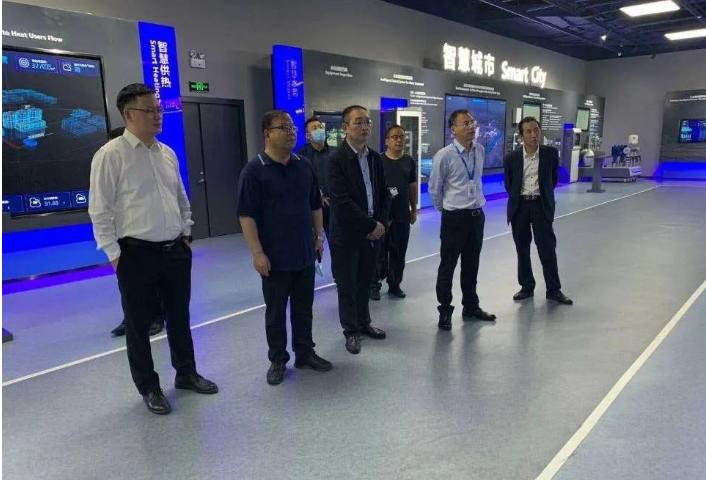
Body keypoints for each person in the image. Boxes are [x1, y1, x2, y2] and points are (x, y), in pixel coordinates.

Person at [89, 83, 217, 415]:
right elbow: (99, 210)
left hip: (175, 251)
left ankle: (186, 373)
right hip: (135, 254)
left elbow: (180, 196)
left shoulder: (167, 153)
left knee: (179, 316)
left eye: (159, 109)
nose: (158, 115)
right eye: (150, 110)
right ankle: (149, 386)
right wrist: (114, 255)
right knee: (139, 324)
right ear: (129, 114)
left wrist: (186, 232)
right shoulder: (110, 155)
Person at [237, 110, 332, 386]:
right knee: (276, 312)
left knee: (304, 308)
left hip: (304, 252)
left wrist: (318, 237)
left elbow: (315, 205)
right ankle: (278, 359)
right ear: (267, 133)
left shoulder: (304, 165)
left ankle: (305, 352)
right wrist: (257, 253)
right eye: (284, 128)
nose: (291, 132)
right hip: (274, 257)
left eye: (292, 127)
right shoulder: (254, 171)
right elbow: (246, 215)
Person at [328, 105, 389, 354]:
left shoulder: (375, 158)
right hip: (347, 235)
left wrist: (381, 224)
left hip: (372, 233)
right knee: (347, 285)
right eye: (358, 122)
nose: (364, 127)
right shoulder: (336, 159)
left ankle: (364, 323)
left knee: (365, 281)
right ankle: (351, 331)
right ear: (345, 127)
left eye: (367, 122)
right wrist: (370, 225)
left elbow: (383, 194)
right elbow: (341, 202)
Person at [429, 109, 496, 331]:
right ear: (453, 129)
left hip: (476, 217)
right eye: (465, 123)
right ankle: (445, 310)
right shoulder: (444, 155)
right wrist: (448, 210)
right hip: (454, 218)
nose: (471, 126)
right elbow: (435, 189)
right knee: (447, 266)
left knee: (471, 265)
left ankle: (471, 306)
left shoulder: (480, 150)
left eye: (472, 122)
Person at [503, 117, 573, 305]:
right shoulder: (511, 158)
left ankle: (554, 289)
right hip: (520, 207)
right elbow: (509, 185)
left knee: (547, 248)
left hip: (541, 205)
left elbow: (553, 180)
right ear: (521, 136)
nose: (533, 134)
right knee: (522, 248)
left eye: (536, 130)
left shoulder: (550, 154)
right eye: (528, 131)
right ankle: (526, 286)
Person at [106, 126, 166, 338]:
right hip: (122, 237)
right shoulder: (109, 170)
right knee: (127, 284)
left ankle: (156, 318)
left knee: (152, 282)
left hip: (146, 237)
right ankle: (130, 318)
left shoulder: (145, 169)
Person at [370, 125, 418, 300]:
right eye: (394, 137)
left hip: (401, 215)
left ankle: (395, 284)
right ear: (386, 141)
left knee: (399, 252)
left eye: (401, 137)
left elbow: (412, 186)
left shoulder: (409, 161)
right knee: (378, 252)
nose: (399, 140)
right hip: (382, 217)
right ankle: (374, 285)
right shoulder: (378, 161)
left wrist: (413, 209)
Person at [298, 116, 332, 239]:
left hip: (333, 204)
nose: (319, 130)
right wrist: (318, 194)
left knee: (336, 241)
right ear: (308, 135)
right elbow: (301, 180)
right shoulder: (301, 155)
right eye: (314, 128)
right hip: (312, 204)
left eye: (320, 127)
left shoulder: (335, 153)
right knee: (314, 241)